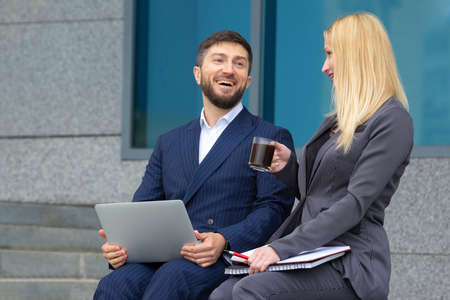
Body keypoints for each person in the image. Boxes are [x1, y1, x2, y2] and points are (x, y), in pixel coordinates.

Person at [210, 13, 413, 300]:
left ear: (356, 55)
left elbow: (355, 203)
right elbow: (318, 194)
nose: (324, 67)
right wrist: (288, 168)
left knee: (250, 291)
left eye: (330, 55)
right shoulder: (337, 120)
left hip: (349, 262)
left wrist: (280, 248)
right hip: (312, 251)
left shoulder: (392, 121)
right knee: (222, 294)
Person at [93, 30, 295, 300]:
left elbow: (272, 208)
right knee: (114, 285)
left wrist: (224, 239)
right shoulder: (170, 142)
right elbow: (142, 208)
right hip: (165, 255)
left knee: (173, 279)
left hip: (225, 257)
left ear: (247, 81)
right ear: (198, 74)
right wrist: (121, 245)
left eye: (239, 63)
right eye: (219, 60)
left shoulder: (265, 138)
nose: (229, 69)